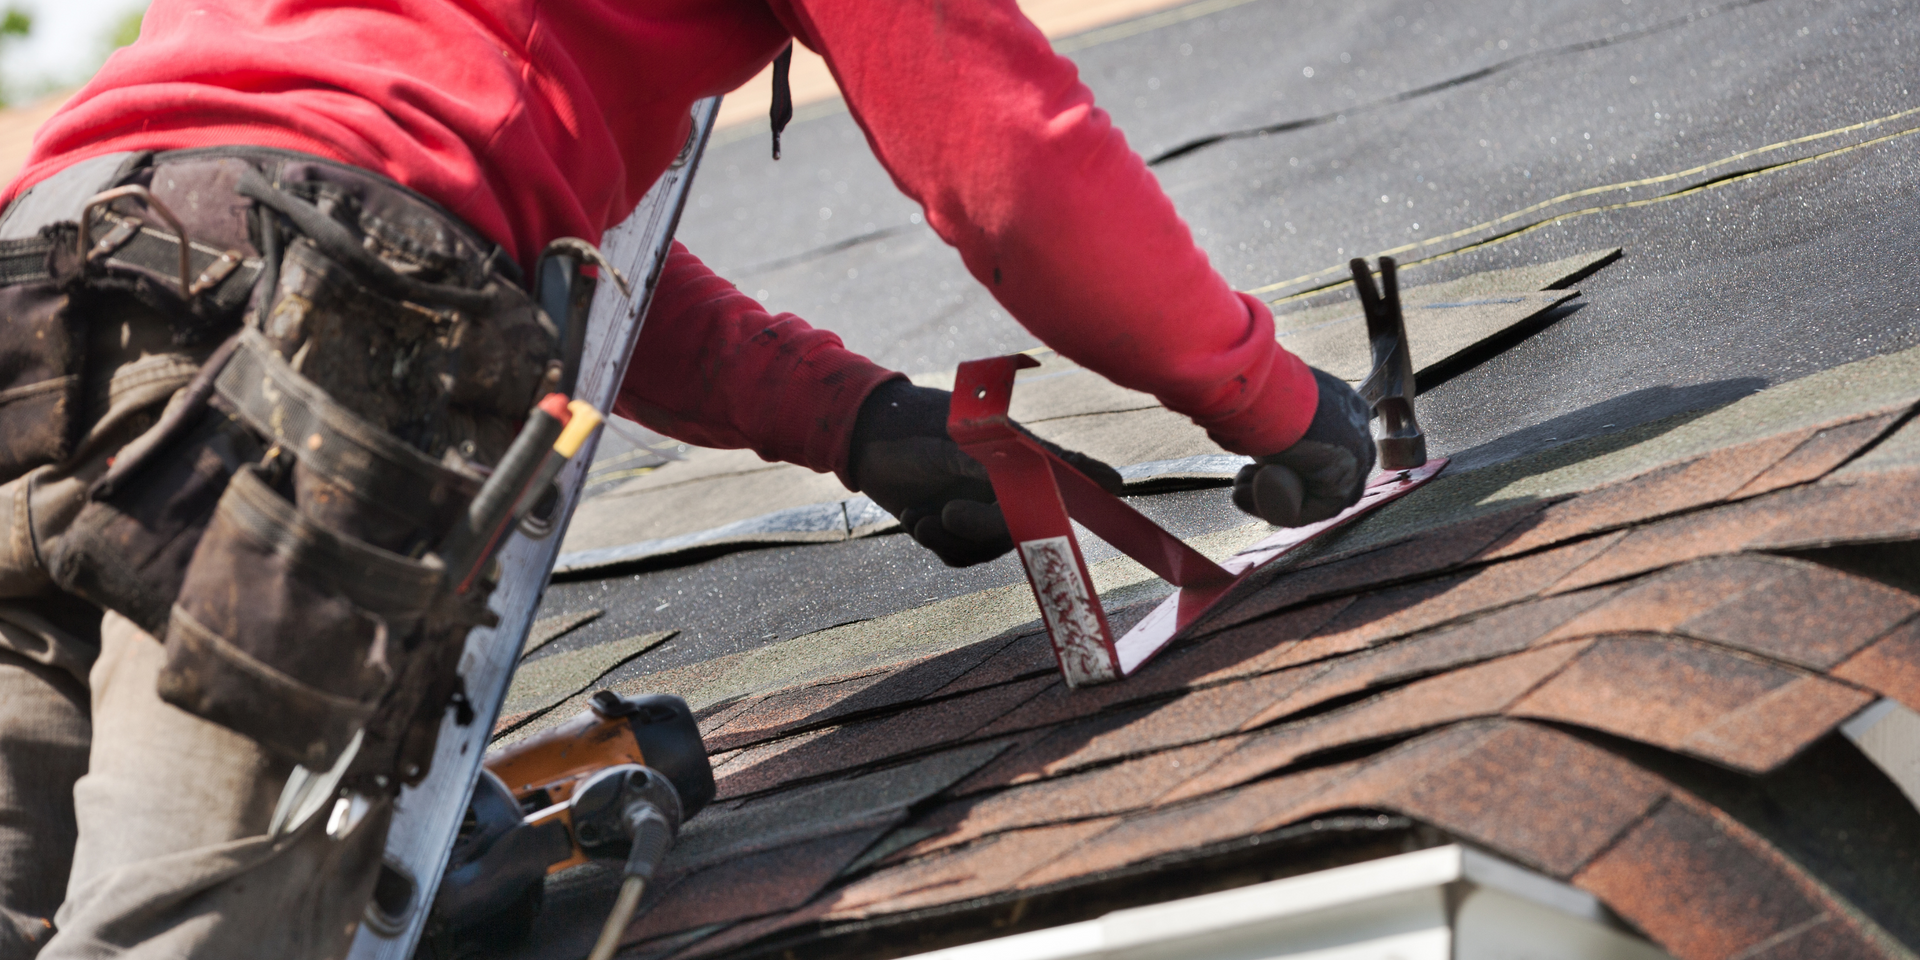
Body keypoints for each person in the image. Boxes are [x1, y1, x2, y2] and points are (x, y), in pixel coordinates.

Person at [0, 0, 1374, 955]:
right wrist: (1266, 397)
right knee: (192, 919)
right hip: (319, 336)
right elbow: (1009, 170)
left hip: (52, 284)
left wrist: (851, 417)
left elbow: (471, 214)